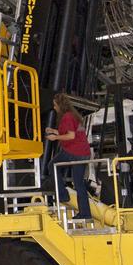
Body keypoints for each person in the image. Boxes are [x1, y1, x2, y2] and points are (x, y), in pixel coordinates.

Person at [45, 92, 93, 220]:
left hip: (74, 151)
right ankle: (85, 213)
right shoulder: (74, 116)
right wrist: (54, 131)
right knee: (79, 184)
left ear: (60, 105)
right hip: (83, 152)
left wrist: (55, 137)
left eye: (55, 105)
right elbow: (72, 132)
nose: (54, 108)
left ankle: (63, 194)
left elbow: (71, 136)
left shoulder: (67, 117)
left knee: (52, 165)